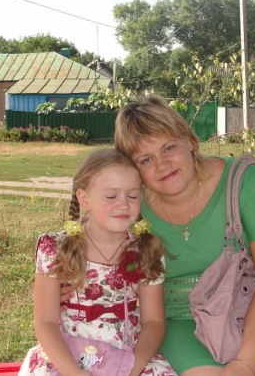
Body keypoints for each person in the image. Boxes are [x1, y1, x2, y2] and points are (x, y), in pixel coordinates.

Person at [111, 95, 255, 376]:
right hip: (185, 325)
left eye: (169, 147)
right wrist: (66, 282)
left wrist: (245, 363)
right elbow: (91, 245)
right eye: (145, 159)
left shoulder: (243, 180)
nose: (162, 164)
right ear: (132, 169)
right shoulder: (130, 203)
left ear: (190, 140)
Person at [19, 148, 177, 376]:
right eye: (111, 196)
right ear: (84, 199)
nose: (124, 204)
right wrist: (74, 373)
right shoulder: (55, 248)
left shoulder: (146, 250)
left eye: (133, 196)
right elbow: (46, 322)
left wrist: (132, 369)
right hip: (67, 355)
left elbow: (154, 322)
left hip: (126, 353)